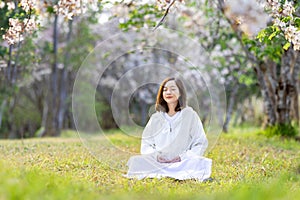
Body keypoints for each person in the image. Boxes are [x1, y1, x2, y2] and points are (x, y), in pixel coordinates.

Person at [124, 77, 212, 181]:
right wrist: (157, 156)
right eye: (165, 90)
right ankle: (167, 172)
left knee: (200, 162)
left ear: (180, 93)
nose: (168, 92)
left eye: (173, 89)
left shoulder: (190, 115)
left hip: (182, 162)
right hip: (159, 162)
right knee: (136, 161)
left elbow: (200, 142)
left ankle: (165, 173)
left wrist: (182, 158)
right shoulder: (156, 118)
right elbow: (147, 143)